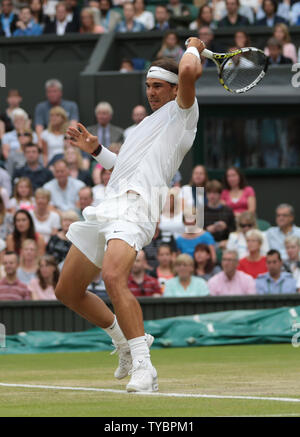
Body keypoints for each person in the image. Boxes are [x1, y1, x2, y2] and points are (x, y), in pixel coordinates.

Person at [54, 38, 204, 393]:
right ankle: (124, 342)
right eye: (149, 86)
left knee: (112, 276)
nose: (151, 92)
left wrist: (194, 45)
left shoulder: (184, 112)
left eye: (158, 87)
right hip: (109, 205)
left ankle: (144, 367)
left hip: (138, 207)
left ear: (174, 89)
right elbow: (124, 168)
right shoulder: (143, 128)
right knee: (68, 290)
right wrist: (96, 149)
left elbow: (187, 69)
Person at [34, 79, 79, 145]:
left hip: (67, 139)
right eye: (49, 92)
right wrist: (41, 143)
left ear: (60, 92)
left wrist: (68, 141)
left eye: (54, 91)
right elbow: (39, 128)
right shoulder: (40, 107)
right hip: (48, 141)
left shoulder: (71, 105)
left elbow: (74, 125)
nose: (52, 94)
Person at [204, 179, 236, 247]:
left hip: (225, 243)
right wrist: (206, 231)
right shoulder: (201, 211)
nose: (212, 196)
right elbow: (195, 233)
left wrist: (225, 227)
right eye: (209, 193)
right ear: (206, 194)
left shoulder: (228, 210)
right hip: (205, 244)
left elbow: (234, 231)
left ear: (220, 194)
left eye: (215, 193)